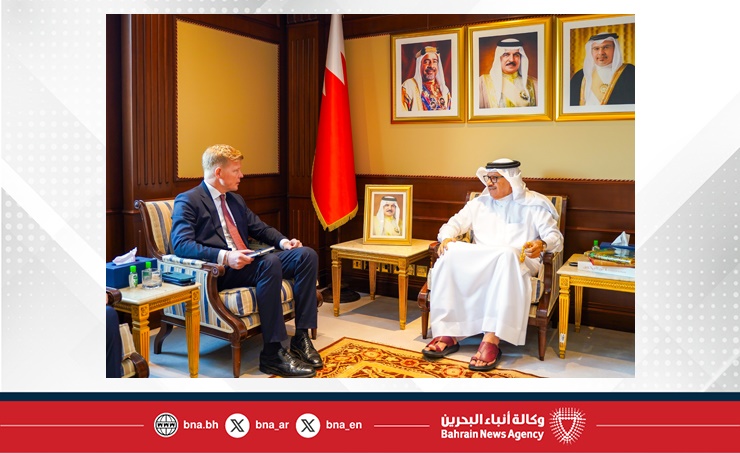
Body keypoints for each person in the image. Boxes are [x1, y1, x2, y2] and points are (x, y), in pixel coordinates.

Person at [170, 144, 322, 378]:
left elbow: (259, 228)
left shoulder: (235, 200)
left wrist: (284, 243)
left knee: (306, 255)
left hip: (248, 262)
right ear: (219, 172)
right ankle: (272, 353)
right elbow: (181, 244)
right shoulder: (189, 200)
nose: (241, 175)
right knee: (270, 263)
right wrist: (225, 256)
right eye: (236, 170)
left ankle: (301, 338)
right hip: (221, 271)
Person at [421, 158, 563, 371]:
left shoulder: (534, 204)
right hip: (483, 258)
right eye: (488, 178)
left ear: (511, 179)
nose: (489, 183)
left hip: (519, 260)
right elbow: (452, 224)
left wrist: (541, 244)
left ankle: (492, 337)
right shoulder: (480, 203)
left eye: (495, 178)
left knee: (506, 254)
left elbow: (555, 237)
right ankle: (450, 332)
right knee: (450, 251)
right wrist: (447, 237)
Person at [569, 32, 635, 106]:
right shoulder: (579, 76)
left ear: (615, 49)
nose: (601, 53)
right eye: (596, 48)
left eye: (606, 47)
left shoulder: (630, 73)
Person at [479, 38, 537, 108]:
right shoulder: (482, 83)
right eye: (506, 55)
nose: (511, 59)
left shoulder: (534, 84)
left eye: (516, 55)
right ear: (499, 58)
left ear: (521, 58)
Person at [401, 46, 451, 111]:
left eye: (434, 61)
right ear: (419, 65)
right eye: (426, 62)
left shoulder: (444, 90)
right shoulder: (408, 87)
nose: (431, 65)